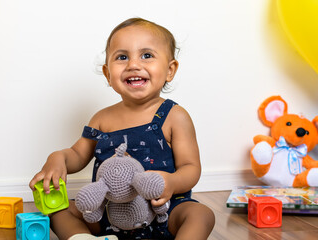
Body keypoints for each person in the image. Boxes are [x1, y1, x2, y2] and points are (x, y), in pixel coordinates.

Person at [29, 17, 215, 240]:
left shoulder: (174, 116)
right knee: (59, 210)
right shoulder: (102, 118)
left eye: (147, 55)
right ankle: (82, 238)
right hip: (108, 212)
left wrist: (171, 182)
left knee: (201, 215)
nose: (133, 64)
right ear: (108, 74)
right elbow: (78, 155)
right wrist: (57, 158)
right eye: (122, 57)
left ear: (170, 69)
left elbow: (191, 167)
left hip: (163, 210)